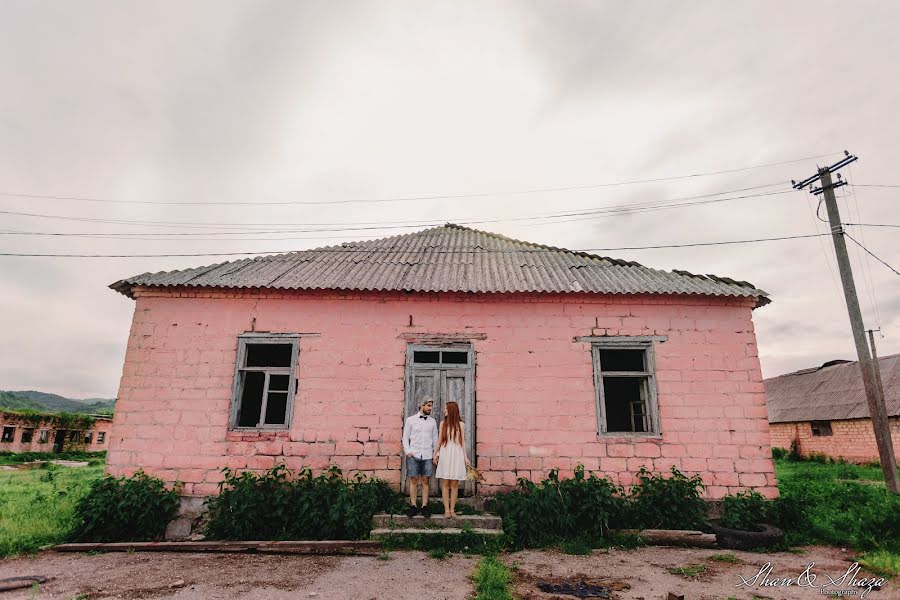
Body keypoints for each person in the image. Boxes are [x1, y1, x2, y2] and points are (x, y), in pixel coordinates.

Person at [433, 401, 470, 518]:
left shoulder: (461, 425)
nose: (444, 410)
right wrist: (435, 454)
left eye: (446, 409)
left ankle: (453, 510)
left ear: (451, 410)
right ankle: (446, 510)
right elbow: (439, 440)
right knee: (445, 482)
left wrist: (465, 457)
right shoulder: (443, 424)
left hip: (457, 454)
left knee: (454, 483)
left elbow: (463, 442)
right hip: (445, 453)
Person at [402, 397, 438, 518]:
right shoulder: (410, 420)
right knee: (413, 481)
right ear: (421, 405)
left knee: (425, 481)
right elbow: (405, 437)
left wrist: (435, 454)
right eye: (428, 405)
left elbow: (435, 440)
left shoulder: (432, 422)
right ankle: (413, 506)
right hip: (414, 454)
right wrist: (408, 451)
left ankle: (424, 506)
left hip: (427, 455)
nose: (430, 408)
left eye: (431, 406)